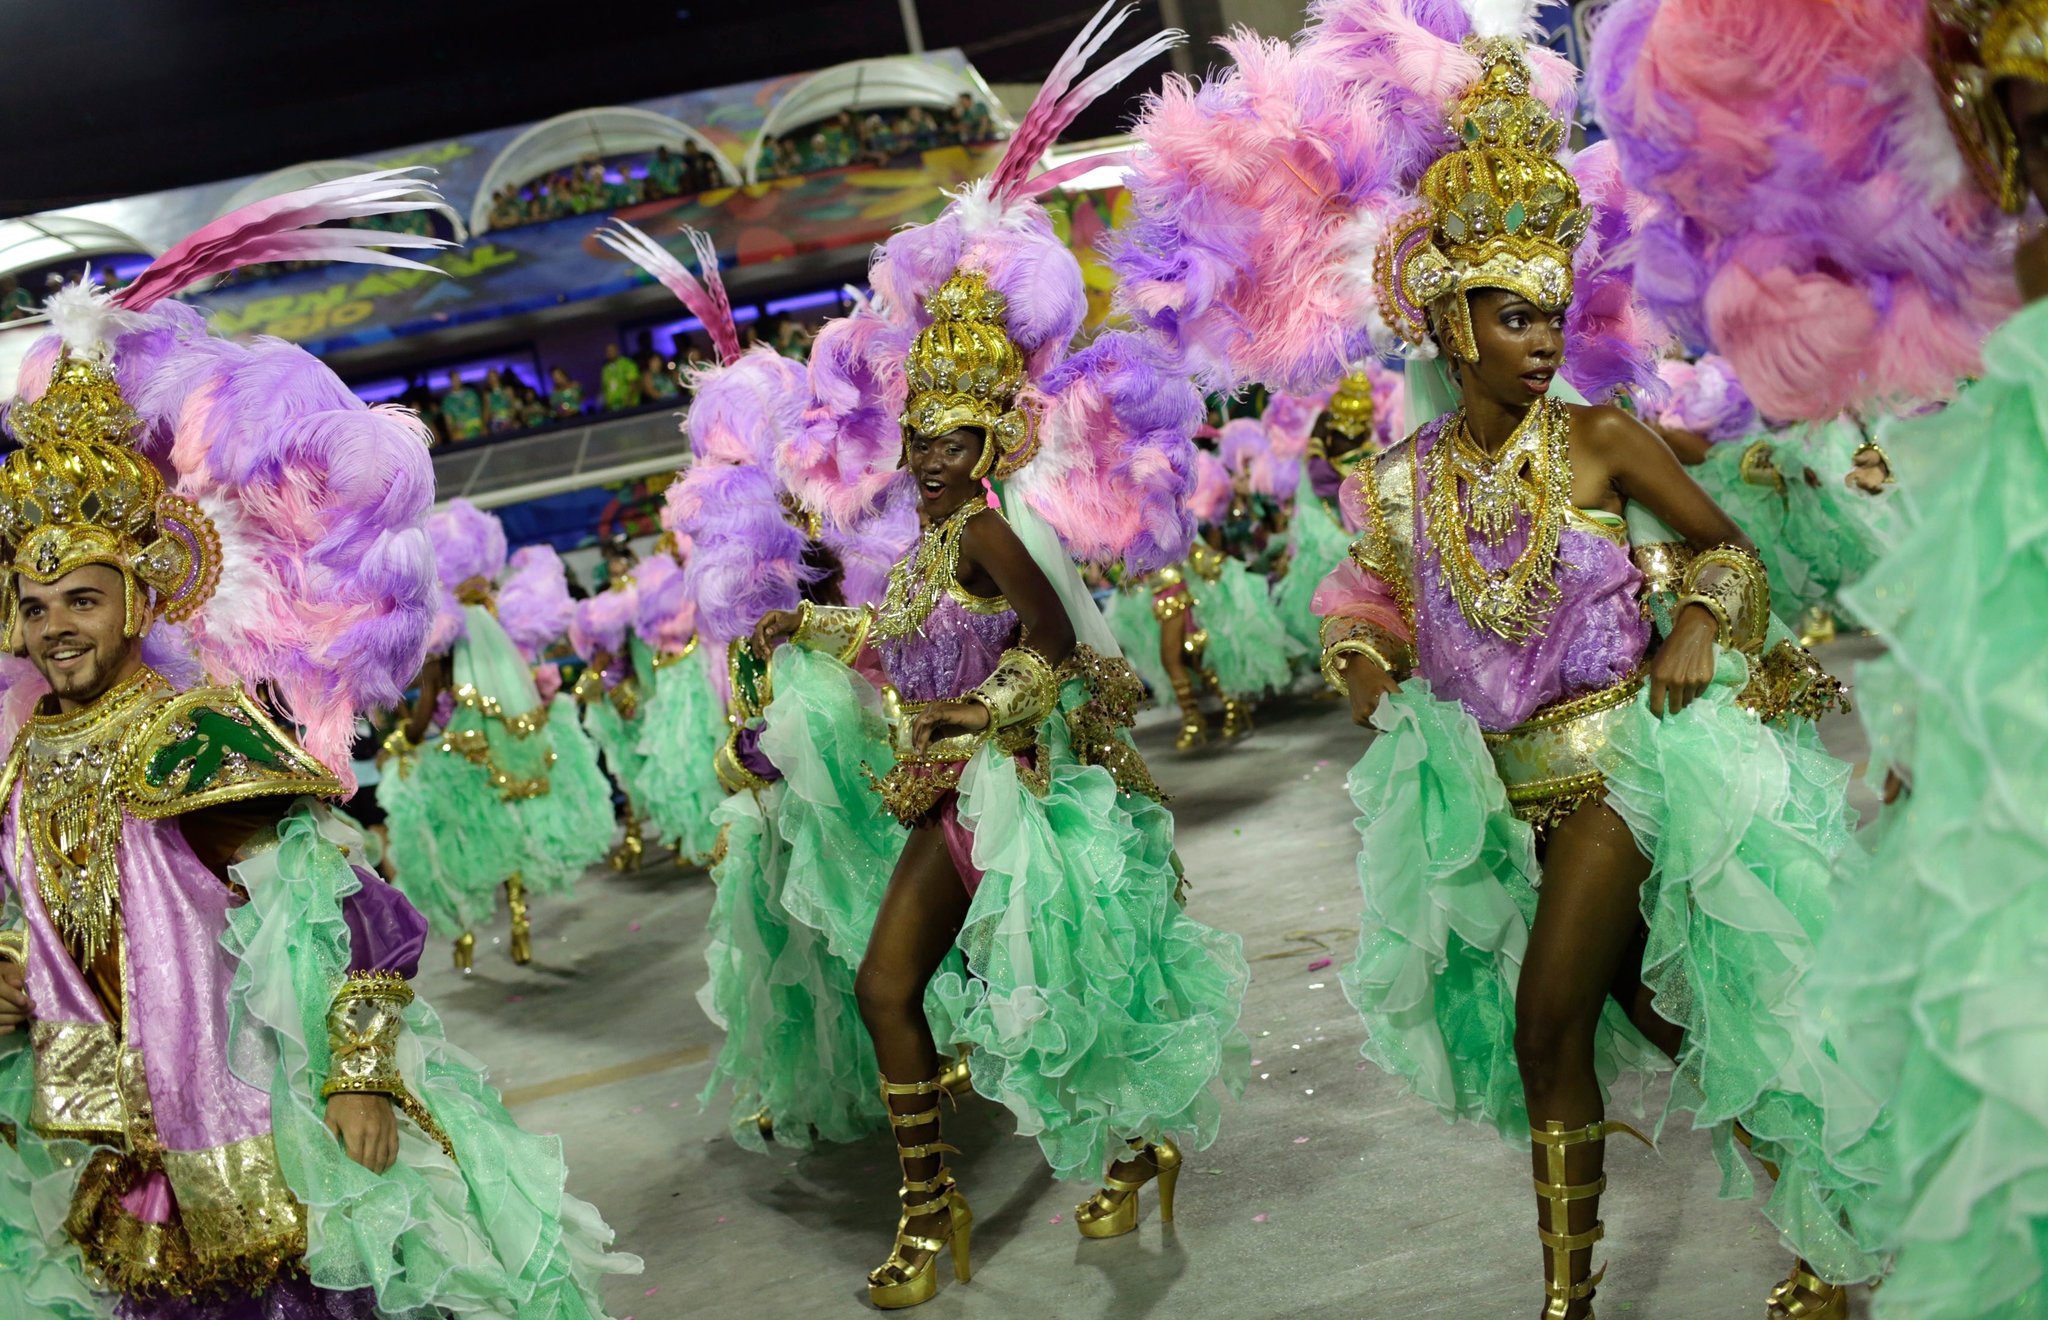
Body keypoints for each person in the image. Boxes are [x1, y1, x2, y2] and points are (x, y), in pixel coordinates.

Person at [1121, 13, 1869, 1317]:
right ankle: (1823, 1218)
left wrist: (1699, 622)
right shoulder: (1393, 485)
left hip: (1630, 770)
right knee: (1671, 1014)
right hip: (1500, 788)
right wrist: (1362, 663)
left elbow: (1728, 555)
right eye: (1513, 316)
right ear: (1448, 319)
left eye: (1551, 317)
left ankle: (1566, 1299)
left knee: (1545, 1023)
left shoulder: (1602, 440)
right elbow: (1363, 605)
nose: (1540, 341)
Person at [0, 172, 634, 1320]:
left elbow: (352, 911)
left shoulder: (195, 738)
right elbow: (34, 904)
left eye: (81, 600)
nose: (57, 630)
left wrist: (358, 1078)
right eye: (36, 607)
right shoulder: (20, 755)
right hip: (109, 1135)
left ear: (140, 598)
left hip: (250, 1114)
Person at [759, 8, 1247, 1306]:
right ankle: (1103, 1163)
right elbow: (891, 641)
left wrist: (989, 717)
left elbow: (1056, 642)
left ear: (990, 447)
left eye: (952, 440)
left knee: (903, 990)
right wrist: (802, 627)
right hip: (948, 789)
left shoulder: (984, 527)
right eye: (918, 436)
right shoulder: (930, 547)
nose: (927, 457)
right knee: (1014, 998)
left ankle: (936, 1216)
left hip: (1001, 795)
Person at [380, 510, 614, 970]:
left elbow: (425, 711)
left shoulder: (441, 640)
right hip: (512, 752)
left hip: (460, 764)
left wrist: (403, 739)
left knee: (462, 849)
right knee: (512, 837)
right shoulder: (499, 628)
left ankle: (465, 935)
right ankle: (520, 925)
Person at [439, 369, 484, 441]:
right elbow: (449, 423)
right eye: (454, 379)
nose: (456, 381)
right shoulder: (447, 400)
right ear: (450, 381)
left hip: (478, 431)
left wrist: (484, 427)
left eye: (457, 378)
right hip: (461, 435)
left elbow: (481, 412)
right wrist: (452, 435)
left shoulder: (471, 393)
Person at [599, 342, 641, 411]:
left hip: (629, 405)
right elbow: (604, 388)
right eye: (608, 351)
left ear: (617, 351)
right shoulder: (605, 369)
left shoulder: (627, 364)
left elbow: (634, 383)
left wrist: (628, 402)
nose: (610, 353)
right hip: (613, 407)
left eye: (612, 350)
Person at [483, 366, 519, 433]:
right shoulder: (487, 395)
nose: (492, 379)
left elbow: (513, 406)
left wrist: (511, 420)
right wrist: (485, 426)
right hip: (496, 423)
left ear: (498, 376)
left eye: (493, 376)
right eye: (490, 377)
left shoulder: (508, 390)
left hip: (509, 421)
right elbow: (487, 411)